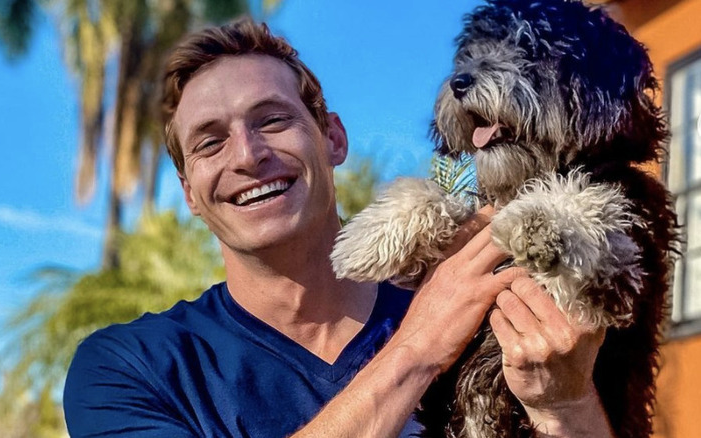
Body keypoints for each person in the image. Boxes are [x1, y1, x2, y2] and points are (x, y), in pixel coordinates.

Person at [63, 19, 614, 438]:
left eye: (272, 120)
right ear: (190, 194)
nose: (248, 155)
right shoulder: (132, 368)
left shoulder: (495, 301)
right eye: (210, 142)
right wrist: (416, 350)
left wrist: (566, 403)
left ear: (332, 139)